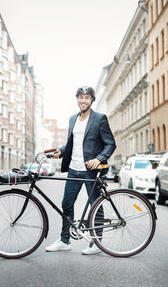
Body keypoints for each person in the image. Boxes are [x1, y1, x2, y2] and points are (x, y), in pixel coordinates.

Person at [45, 86, 116, 255]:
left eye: (87, 98)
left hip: (91, 170)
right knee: (67, 204)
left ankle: (96, 242)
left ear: (92, 100)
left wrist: (98, 159)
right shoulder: (72, 119)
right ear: (77, 99)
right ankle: (64, 240)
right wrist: (61, 151)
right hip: (73, 169)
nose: (83, 100)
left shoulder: (99, 118)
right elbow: (72, 143)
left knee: (95, 205)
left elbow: (110, 143)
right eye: (81, 97)